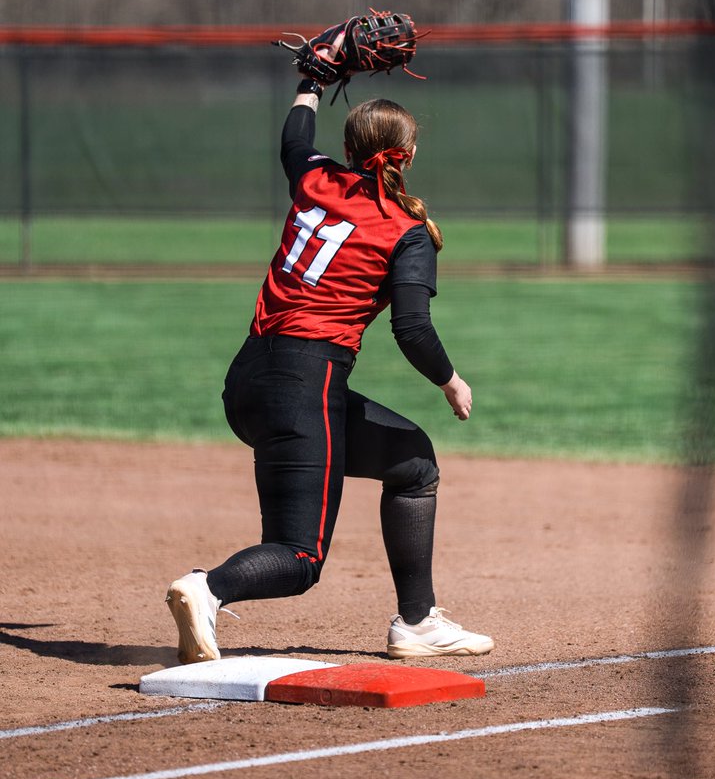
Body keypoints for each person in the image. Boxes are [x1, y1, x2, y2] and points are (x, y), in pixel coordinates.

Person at [165, 71, 493, 663]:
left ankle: (417, 622)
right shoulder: (405, 230)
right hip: (304, 385)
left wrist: (312, 80)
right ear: (408, 155)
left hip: (249, 380)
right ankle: (207, 589)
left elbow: (293, 141)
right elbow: (412, 329)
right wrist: (451, 381)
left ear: (347, 149)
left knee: (413, 461)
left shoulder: (316, 179)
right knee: (298, 557)